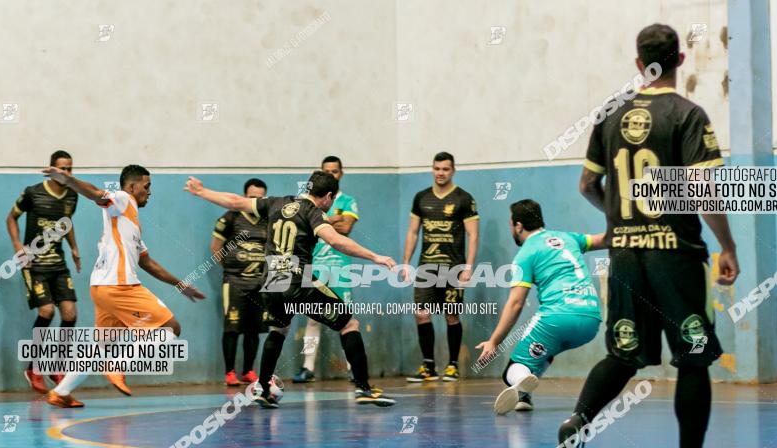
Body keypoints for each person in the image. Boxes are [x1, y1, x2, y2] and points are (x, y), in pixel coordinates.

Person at [555, 24, 739, 448]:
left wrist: (619, 221)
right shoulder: (687, 114)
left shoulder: (610, 115)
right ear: (679, 58)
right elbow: (706, 191)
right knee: (694, 359)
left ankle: (577, 422)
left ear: (639, 63)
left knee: (623, 354)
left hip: (626, 258)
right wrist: (729, 247)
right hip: (675, 255)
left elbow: (586, 186)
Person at [185, 170, 395, 408]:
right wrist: (374, 256)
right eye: (332, 200)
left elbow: (235, 201)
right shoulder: (314, 212)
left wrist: (201, 191)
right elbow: (336, 241)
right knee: (349, 324)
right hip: (298, 280)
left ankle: (263, 389)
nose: (331, 204)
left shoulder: (277, 202)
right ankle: (364, 388)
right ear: (327, 196)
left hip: (273, 280)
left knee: (280, 329)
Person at [41, 164, 205, 408]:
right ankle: (117, 364)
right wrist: (68, 180)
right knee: (171, 327)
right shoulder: (123, 199)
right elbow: (96, 194)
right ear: (131, 186)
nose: (149, 192)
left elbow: (148, 263)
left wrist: (181, 284)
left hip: (102, 289)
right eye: (146, 186)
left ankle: (61, 392)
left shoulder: (129, 223)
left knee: (101, 347)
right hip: (120, 287)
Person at [475, 199, 605, 414]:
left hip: (556, 318)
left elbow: (516, 303)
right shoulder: (567, 238)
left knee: (511, 371)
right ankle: (524, 396)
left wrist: (494, 341)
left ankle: (520, 383)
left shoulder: (525, 254)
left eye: (510, 224)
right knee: (545, 351)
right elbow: (603, 240)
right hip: (591, 319)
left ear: (518, 226)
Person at [7, 150, 82, 392]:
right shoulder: (33, 193)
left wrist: (74, 247)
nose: (66, 173)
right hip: (34, 264)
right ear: (51, 169)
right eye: (62, 168)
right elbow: (11, 219)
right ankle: (33, 367)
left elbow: (66, 222)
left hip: (58, 264)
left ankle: (56, 366)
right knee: (47, 311)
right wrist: (19, 248)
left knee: (70, 314)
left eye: (70, 168)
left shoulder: (71, 195)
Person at [403, 152, 479, 383]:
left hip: (453, 268)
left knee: (451, 315)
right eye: (437, 168)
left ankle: (452, 366)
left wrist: (468, 267)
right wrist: (406, 263)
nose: (440, 173)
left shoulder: (464, 199)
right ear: (432, 169)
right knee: (422, 314)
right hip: (426, 267)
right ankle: (428, 366)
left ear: (453, 170)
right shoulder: (421, 198)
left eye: (445, 169)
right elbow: (413, 232)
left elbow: (473, 235)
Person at [292, 156, 359, 383]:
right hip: (315, 267)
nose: (331, 175)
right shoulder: (309, 203)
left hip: (339, 267)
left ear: (342, 173)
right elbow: (334, 223)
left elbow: (346, 228)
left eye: (335, 171)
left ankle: (353, 368)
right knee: (312, 319)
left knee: (346, 318)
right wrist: (335, 218)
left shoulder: (348, 200)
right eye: (327, 171)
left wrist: (324, 219)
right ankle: (308, 367)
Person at [211, 178, 269, 385]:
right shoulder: (230, 218)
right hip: (234, 284)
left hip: (260, 285)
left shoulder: (268, 220)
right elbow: (216, 248)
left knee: (255, 329)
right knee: (232, 328)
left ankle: (248, 371)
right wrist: (231, 270)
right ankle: (230, 373)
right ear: (244, 197)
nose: (255, 202)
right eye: (251, 198)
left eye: (260, 199)